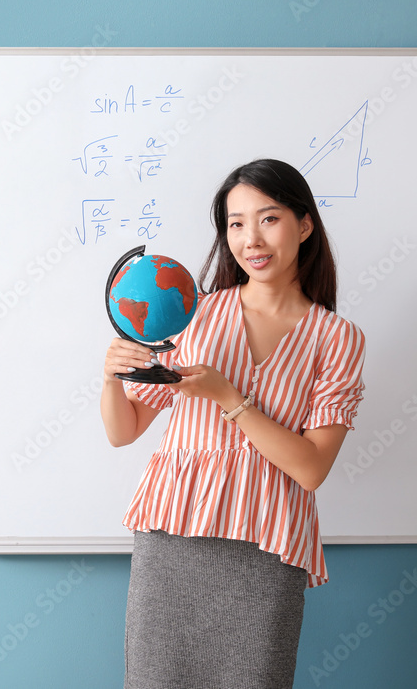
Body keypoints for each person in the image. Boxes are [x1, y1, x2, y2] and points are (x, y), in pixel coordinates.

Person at [101, 159, 366, 689]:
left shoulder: (337, 338)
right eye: (236, 224)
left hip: (268, 545)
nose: (251, 239)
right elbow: (124, 430)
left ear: (304, 224)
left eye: (268, 219)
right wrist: (110, 378)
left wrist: (229, 396)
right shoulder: (192, 312)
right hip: (173, 535)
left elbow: (311, 469)